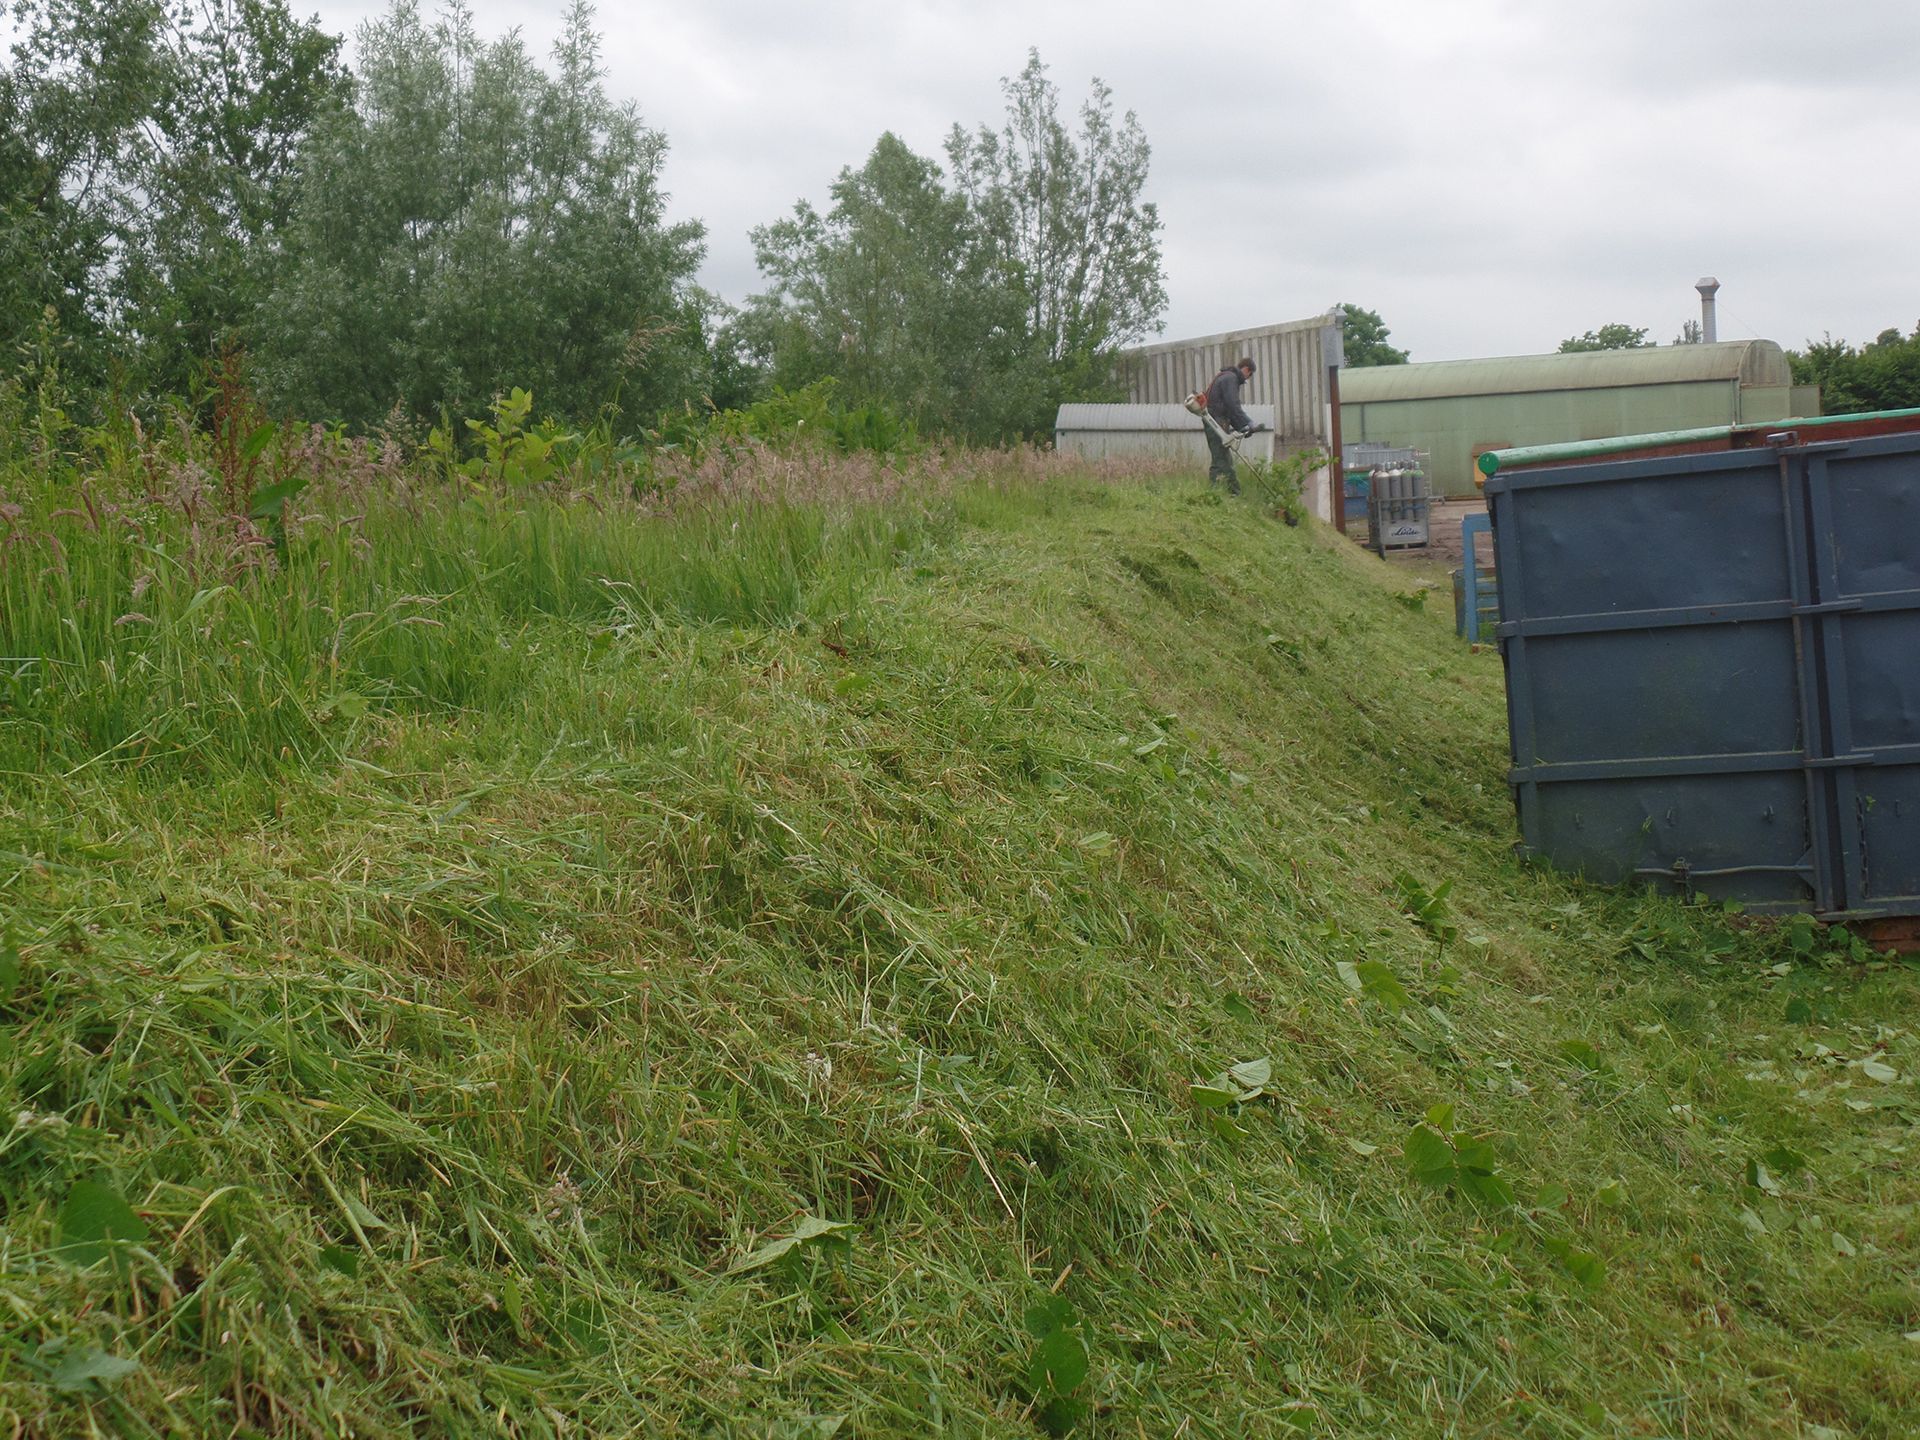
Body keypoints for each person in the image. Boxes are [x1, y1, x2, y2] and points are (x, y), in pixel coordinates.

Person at [1202, 357, 1265, 494]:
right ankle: (1220, 493)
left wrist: (1241, 428)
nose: (1247, 378)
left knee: (1223, 458)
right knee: (1220, 459)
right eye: (1250, 375)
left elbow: (1229, 409)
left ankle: (1230, 493)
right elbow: (1233, 405)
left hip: (1216, 420)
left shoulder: (1225, 376)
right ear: (1247, 369)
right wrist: (1248, 423)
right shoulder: (1231, 378)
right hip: (1216, 421)